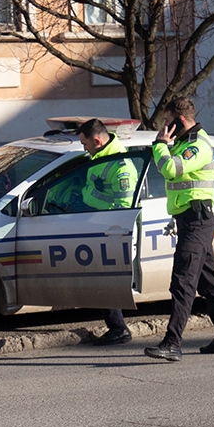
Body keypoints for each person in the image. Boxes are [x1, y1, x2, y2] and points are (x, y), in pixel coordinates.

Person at [144, 98, 214, 362]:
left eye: (167, 121)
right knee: (209, 280)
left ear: (181, 121)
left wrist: (160, 145)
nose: (164, 127)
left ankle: (172, 343)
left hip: (196, 220)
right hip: (191, 220)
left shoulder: (197, 145)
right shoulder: (186, 142)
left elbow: (171, 170)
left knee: (183, 281)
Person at [76, 119, 138, 346]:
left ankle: (118, 328)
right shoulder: (99, 157)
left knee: (106, 281)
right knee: (100, 279)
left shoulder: (120, 166)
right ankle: (116, 326)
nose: (83, 148)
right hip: (95, 224)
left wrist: (107, 230)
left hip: (110, 230)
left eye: (85, 144)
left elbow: (124, 208)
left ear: (97, 140)